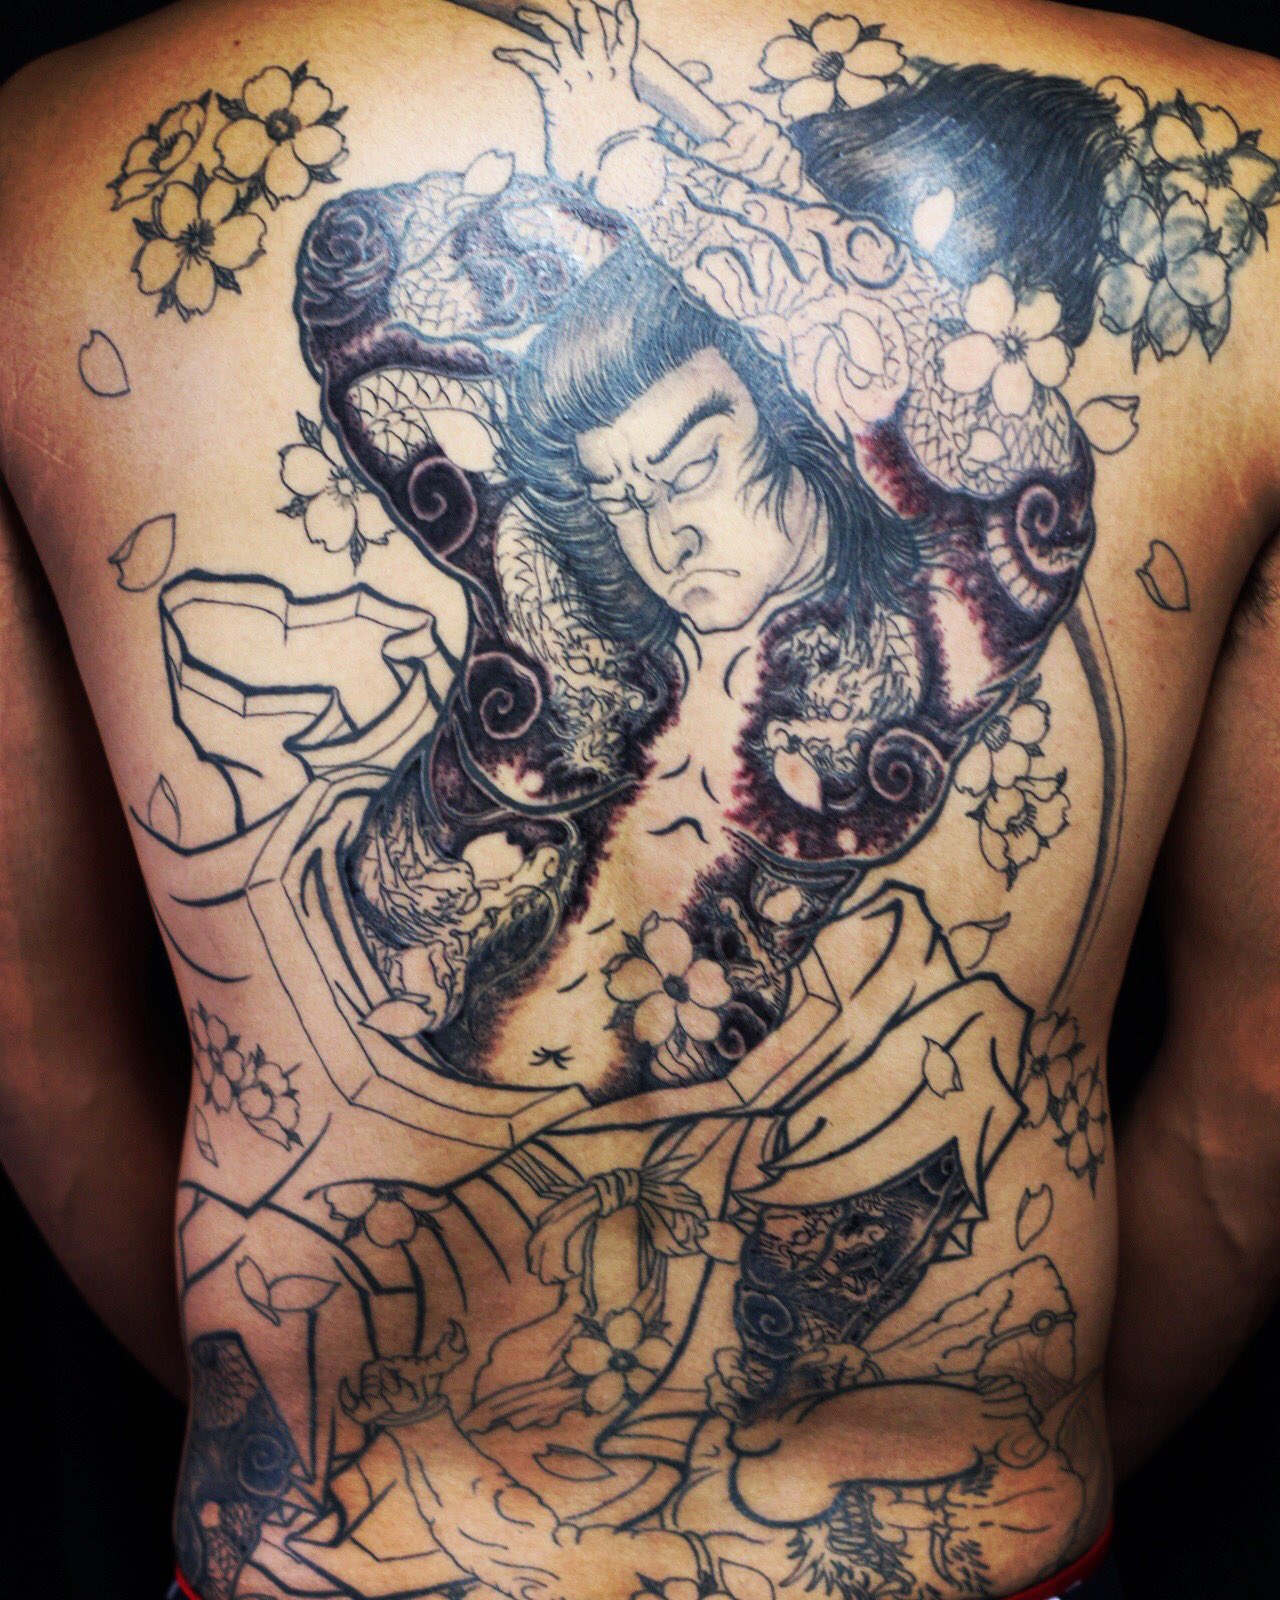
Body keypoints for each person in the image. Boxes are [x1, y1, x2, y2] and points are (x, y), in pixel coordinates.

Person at [0, 2, 1276, 1597]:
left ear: (802, 417)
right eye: (624, 498)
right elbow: (1253, 1103)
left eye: (699, 461)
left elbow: (35, 1053)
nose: (669, 531)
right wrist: (1035, 1436)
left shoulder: (42, 169)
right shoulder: (1255, 184)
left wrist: (681, 180)